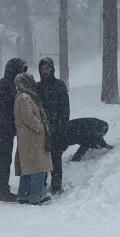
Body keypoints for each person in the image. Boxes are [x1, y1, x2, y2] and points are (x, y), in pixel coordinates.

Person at [0, 58, 28, 203]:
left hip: (4, 129)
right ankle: (3, 191)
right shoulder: (4, 85)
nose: (22, 74)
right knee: (4, 159)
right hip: (1, 130)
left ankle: (3, 188)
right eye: (20, 71)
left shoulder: (10, 84)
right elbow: (3, 111)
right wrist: (12, 126)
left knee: (5, 159)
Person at [13, 73, 53, 206]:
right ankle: (36, 196)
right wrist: (40, 127)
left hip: (28, 137)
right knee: (37, 166)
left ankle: (24, 195)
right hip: (33, 137)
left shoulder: (23, 96)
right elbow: (28, 117)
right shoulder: (25, 97)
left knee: (28, 167)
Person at [37, 57, 70, 195]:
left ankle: (56, 185)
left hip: (57, 128)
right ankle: (41, 185)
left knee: (56, 158)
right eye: (42, 69)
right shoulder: (37, 87)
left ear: (52, 69)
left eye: (47, 68)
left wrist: (62, 127)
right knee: (42, 159)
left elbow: (65, 109)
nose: (45, 71)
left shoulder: (60, 85)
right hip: (42, 129)